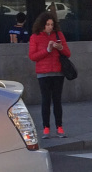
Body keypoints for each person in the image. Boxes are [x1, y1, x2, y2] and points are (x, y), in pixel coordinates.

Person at [27, 10, 70, 138]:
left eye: (51, 24)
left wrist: (60, 47)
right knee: (46, 100)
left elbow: (68, 53)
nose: (50, 27)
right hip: (43, 73)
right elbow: (32, 56)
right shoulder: (35, 37)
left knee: (57, 100)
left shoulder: (58, 35)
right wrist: (47, 50)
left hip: (57, 71)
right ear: (42, 25)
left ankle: (59, 127)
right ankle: (46, 128)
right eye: (47, 24)